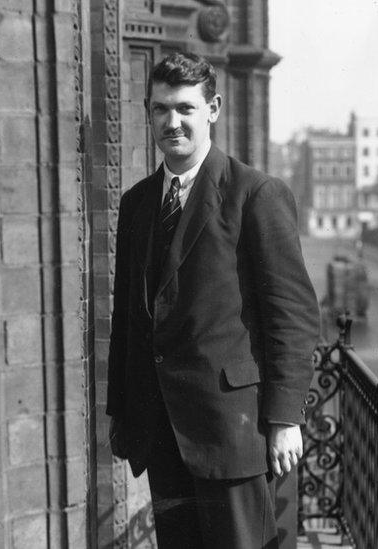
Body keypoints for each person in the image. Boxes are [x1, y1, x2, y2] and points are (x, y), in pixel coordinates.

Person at [106, 52, 319, 549]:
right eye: (160, 109)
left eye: (185, 108)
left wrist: (285, 417)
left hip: (233, 431)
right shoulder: (137, 203)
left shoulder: (255, 194)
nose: (172, 122)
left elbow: (293, 315)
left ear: (214, 109)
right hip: (162, 432)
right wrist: (122, 411)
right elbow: (127, 319)